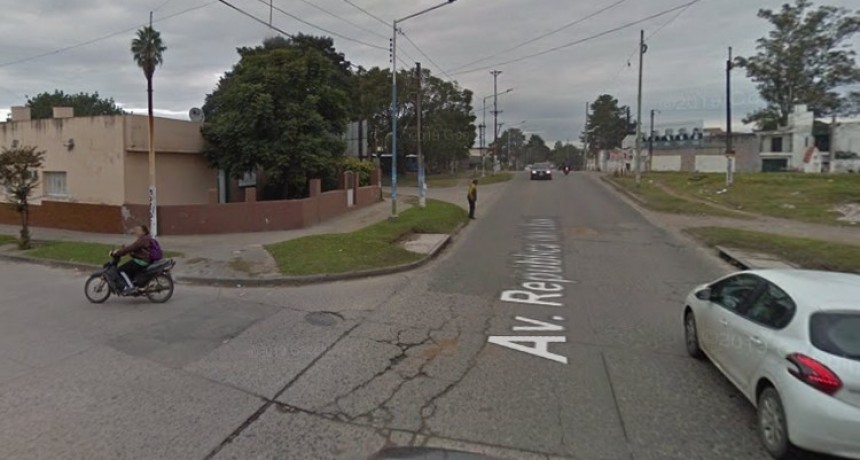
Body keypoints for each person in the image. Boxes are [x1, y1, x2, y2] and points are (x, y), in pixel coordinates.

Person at [111, 225, 153, 293]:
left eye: (139, 231)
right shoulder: (146, 238)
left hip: (142, 261)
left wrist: (118, 252)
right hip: (145, 259)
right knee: (129, 269)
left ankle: (131, 288)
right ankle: (133, 283)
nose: (136, 232)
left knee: (121, 270)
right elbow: (134, 248)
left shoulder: (143, 239)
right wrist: (125, 251)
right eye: (136, 230)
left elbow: (132, 247)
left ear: (144, 232)